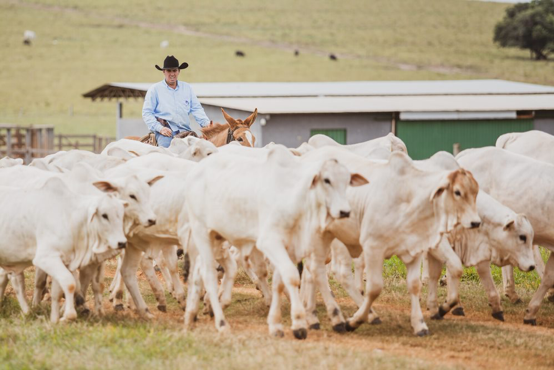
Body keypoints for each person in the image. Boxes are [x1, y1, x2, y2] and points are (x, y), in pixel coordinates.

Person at [142, 55, 210, 147]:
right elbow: (147, 113)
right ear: (163, 72)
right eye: (169, 71)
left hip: (185, 130)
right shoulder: (155, 89)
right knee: (166, 151)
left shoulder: (187, 88)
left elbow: (196, 109)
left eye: (174, 70)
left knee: (199, 150)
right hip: (165, 131)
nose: (172, 74)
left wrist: (207, 124)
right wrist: (160, 128)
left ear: (178, 71)